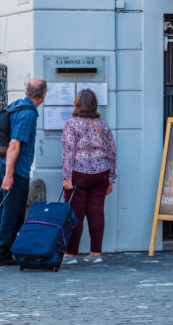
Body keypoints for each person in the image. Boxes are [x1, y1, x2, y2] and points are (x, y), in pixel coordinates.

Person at [0, 79, 47, 266]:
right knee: (13, 212)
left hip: (0, 163)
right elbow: (14, 144)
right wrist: (9, 174)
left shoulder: (16, 106)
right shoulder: (27, 113)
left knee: (0, 209)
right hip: (14, 168)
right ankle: (2, 255)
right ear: (43, 95)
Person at [61, 89, 117, 265]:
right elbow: (112, 152)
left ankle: (70, 254)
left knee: (75, 215)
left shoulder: (72, 124)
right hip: (101, 173)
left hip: (79, 174)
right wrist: (111, 178)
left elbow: (68, 152)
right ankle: (96, 253)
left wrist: (66, 177)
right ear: (94, 105)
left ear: (77, 105)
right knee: (96, 214)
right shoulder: (103, 125)